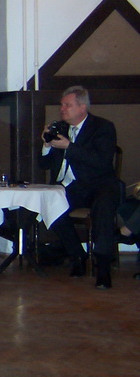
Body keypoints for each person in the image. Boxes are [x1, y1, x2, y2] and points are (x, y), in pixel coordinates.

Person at [39, 86, 121, 289]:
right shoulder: (60, 128)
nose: (62, 109)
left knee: (103, 208)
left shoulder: (102, 127)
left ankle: (103, 267)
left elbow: (101, 161)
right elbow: (44, 165)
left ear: (82, 107)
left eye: (67, 105)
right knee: (50, 205)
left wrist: (70, 147)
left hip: (99, 184)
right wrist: (47, 145)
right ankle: (77, 255)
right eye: (61, 105)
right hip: (71, 187)